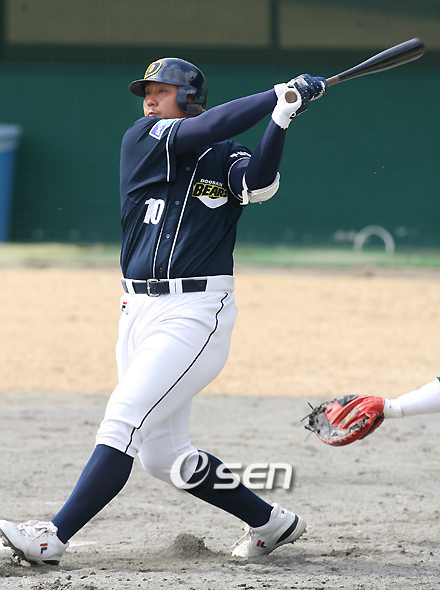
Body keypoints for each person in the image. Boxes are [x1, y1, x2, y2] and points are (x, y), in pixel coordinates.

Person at [0, 57, 327, 565]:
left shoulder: (226, 153)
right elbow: (209, 126)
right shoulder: (143, 137)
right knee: (164, 457)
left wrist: (281, 117)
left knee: (123, 420)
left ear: (189, 96)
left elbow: (259, 183)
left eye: (161, 90)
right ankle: (271, 522)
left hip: (195, 312)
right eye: (146, 91)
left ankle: (52, 537)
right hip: (135, 311)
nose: (149, 99)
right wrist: (276, 94)